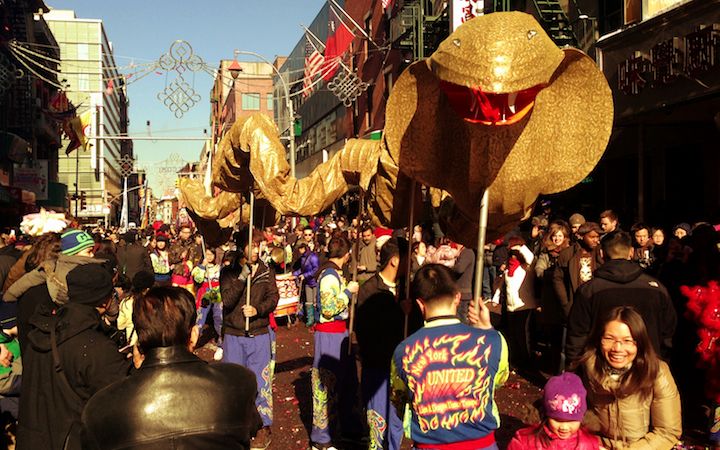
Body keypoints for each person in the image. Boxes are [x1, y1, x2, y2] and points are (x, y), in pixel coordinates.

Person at [75, 287, 262, 450]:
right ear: (194, 336)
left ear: (138, 345)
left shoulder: (100, 408)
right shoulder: (237, 383)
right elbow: (251, 428)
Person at [391, 264, 508, 450]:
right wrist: (487, 329)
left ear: (420, 304)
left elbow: (399, 394)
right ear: (458, 297)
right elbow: (497, 380)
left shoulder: (403, 351)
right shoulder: (494, 341)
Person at [17, 264, 130, 450]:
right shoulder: (96, 347)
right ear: (105, 301)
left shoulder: (42, 333)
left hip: (34, 439)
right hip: (72, 442)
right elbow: (118, 409)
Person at [575, 306, 682, 449]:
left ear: (639, 343)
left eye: (627, 341)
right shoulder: (586, 368)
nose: (617, 348)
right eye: (609, 338)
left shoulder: (656, 372)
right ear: (599, 339)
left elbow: (667, 432)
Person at [565, 231, 676, 363]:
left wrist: (576, 369)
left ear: (601, 254)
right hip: (647, 366)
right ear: (631, 252)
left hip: (602, 368)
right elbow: (668, 332)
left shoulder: (589, 290)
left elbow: (577, 336)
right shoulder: (656, 288)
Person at [221, 239, 279, 449]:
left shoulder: (265, 271)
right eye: (252, 245)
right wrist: (242, 277)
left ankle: (262, 427)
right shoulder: (228, 271)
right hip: (234, 334)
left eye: (258, 245)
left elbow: (274, 298)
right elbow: (226, 300)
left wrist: (258, 310)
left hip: (259, 333)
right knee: (234, 383)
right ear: (242, 247)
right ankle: (236, 426)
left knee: (261, 383)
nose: (256, 250)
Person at [356, 238, 406, 450]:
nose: (410, 262)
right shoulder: (369, 290)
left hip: (401, 369)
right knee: (377, 421)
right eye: (407, 258)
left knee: (397, 421)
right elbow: (366, 331)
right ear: (394, 261)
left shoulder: (407, 289)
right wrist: (398, 312)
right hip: (377, 366)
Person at [311, 235, 360, 450]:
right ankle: (321, 438)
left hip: (341, 333)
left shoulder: (336, 274)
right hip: (329, 334)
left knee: (347, 381)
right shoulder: (329, 276)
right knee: (326, 385)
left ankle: (349, 428)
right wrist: (348, 292)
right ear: (346, 254)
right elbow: (329, 309)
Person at [508, 372, 600, 450]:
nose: (564, 427)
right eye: (557, 420)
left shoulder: (588, 445)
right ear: (546, 415)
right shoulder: (526, 442)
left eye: (571, 421)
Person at [535, 221, 571, 374]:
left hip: (564, 297)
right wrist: (554, 275)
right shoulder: (546, 253)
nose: (557, 239)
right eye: (555, 236)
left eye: (560, 236)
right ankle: (553, 365)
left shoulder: (569, 253)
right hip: (550, 298)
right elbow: (539, 271)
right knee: (552, 335)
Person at [552, 222, 603, 320]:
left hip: (595, 302)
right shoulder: (567, 254)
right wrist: (566, 303)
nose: (596, 240)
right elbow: (558, 279)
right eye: (592, 237)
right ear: (582, 236)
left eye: (597, 237)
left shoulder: (600, 253)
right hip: (575, 302)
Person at [193, 247, 223, 359]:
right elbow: (198, 279)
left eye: (211, 254)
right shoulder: (198, 268)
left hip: (216, 292)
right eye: (207, 254)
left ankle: (221, 343)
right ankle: (192, 343)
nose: (209, 257)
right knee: (200, 319)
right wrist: (202, 266)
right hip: (204, 293)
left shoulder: (219, 268)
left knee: (218, 317)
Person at [293, 242, 319, 327]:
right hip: (308, 282)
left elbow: (316, 269)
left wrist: (305, 275)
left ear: (304, 248)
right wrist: (294, 274)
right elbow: (303, 269)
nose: (299, 250)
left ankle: (316, 319)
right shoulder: (303, 258)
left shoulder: (313, 257)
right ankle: (310, 319)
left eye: (300, 248)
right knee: (309, 302)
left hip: (314, 281)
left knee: (315, 302)